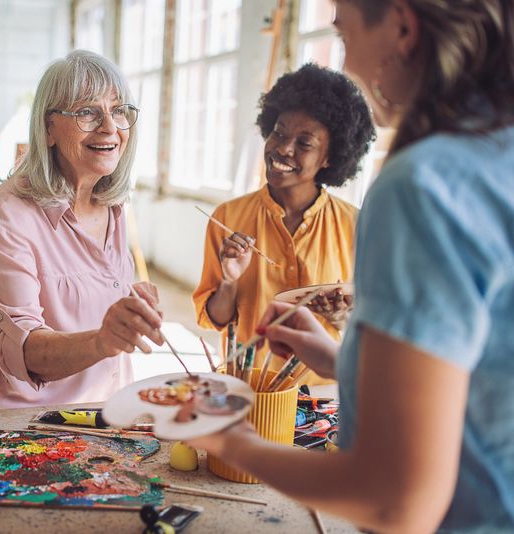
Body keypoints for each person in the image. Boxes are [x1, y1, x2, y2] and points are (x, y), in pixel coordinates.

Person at [189, 1, 514, 532]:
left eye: (342, 36)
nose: (349, 66)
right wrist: (344, 361)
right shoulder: (496, 154)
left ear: (403, 27)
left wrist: (230, 440)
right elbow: (474, 384)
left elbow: (396, 503)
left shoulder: (423, 186)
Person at [0, 50, 163, 409]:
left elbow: (88, 294)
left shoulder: (112, 201)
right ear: (48, 128)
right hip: (32, 422)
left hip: (108, 408)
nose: (110, 128)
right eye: (88, 112)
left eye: (118, 110)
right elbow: (23, 350)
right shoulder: (9, 214)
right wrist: (103, 340)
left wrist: (130, 300)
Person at [192, 63, 375, 385]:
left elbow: (371, 329)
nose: (282, 148)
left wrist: (343, 317)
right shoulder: (228, 218)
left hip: (322, 393)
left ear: (330, 157)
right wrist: (230, 281)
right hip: (251, 388)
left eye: (304, 143)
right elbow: (216, 320)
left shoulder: (355, 226)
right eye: (279, 132)